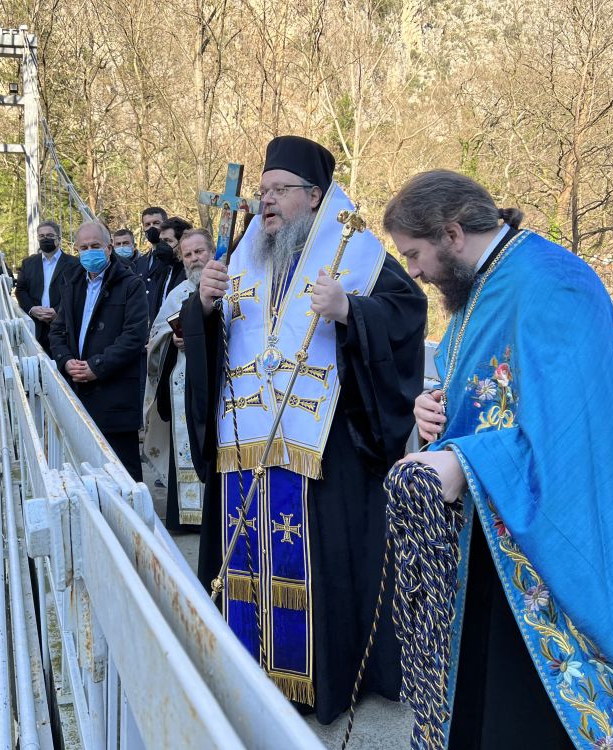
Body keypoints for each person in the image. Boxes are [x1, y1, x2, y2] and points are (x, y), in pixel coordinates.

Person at [386, 170, 613, 749]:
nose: (414, 272)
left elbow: (577, 435)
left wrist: (463, 460)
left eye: (414, 255)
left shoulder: (552, 284)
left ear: (451, 232)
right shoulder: (488, 280)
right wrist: (434, 414)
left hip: (553, 536)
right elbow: (484, 391)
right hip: (491, 528)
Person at [182, 135, 427, 722]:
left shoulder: (356, 252)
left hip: (323, 449)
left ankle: (320, 680)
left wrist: (351, 311)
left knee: (321, 564)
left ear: (314, 196)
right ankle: (246, 667)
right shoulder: (245, 253)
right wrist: (205, 308)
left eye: (278, 191)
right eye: (262, 192)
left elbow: (407, 312)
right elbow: (211, 341)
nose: (265, 202)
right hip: (245, 446)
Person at [49, 221, 149, 481]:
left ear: (108, 248)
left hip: (115, 395)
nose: (89, 252)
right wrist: (65, 361)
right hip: (78, 392)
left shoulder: (131, 284)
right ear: (76, 250)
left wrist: (97, 366)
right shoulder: (72, 284)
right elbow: (57, 331)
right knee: (85, 473)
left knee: (125, 476)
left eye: (95, 246)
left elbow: (135, 336)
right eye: (84, 247)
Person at [143, 228, 211, 531]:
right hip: (184, 383)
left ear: (212, 251)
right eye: (188, 254)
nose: (195, 259)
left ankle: (215, 512)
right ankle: (186, 515)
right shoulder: (179, 293)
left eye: (200, 252)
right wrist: (173, 338)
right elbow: (156, 335)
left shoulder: (234, 286)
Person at [16, 220, 75, 356]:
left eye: (50, 235)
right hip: (36, 325)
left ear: (58, 239)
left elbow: (76, 293)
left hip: (63, 324)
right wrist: (32, 309)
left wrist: (57, 311)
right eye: (41, 236)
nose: (45, 239)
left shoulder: (74, 264)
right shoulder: (28, 263)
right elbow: (21, 290)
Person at [145, 216, 189, 323]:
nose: (162, 245)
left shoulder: (189, 273)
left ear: (181, 243)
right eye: (161, 241)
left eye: (168, 241)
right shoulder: (163, 269)